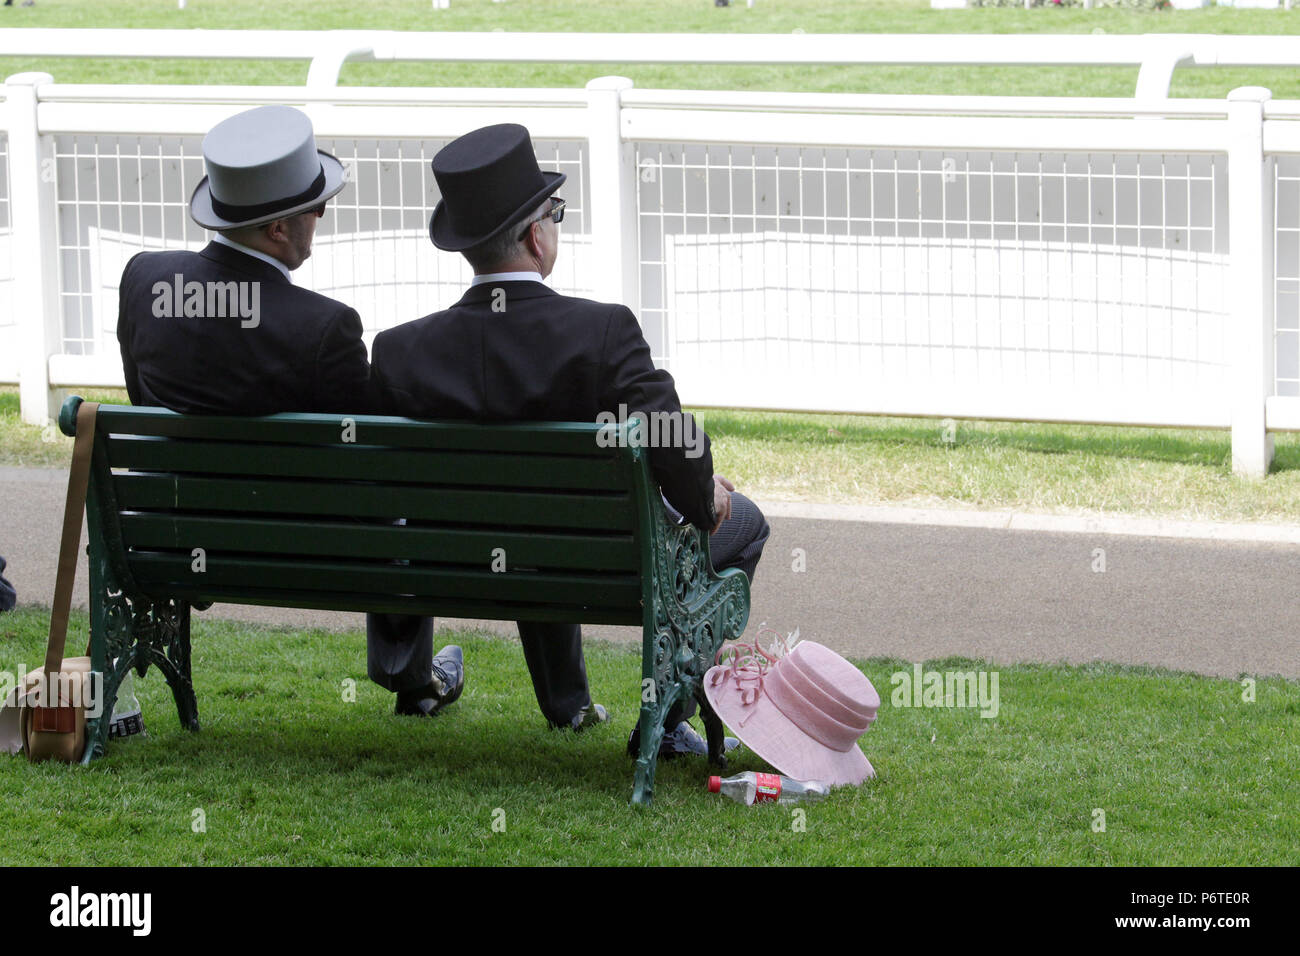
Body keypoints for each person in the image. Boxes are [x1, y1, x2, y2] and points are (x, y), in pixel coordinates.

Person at [370, 124, 769, 757]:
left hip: (452, 560)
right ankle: (666, 721)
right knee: (743, 520)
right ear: (536, 235)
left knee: (522, 517)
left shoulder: (399, 352)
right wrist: (705, 498)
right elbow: (673, 439)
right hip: (587, 559)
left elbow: (380, 478)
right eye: (554, 213)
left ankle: (526, 695)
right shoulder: (602, 332)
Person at [116, 104, 462, 718]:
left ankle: (116, 696)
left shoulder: (146, 281)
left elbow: (144, 402)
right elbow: (369, 466)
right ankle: (411, 681)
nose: (322, 216)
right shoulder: (324, 327)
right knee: (400, 509)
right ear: (278, 230)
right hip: (310, 551)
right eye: (317, 205)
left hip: (166, 531)